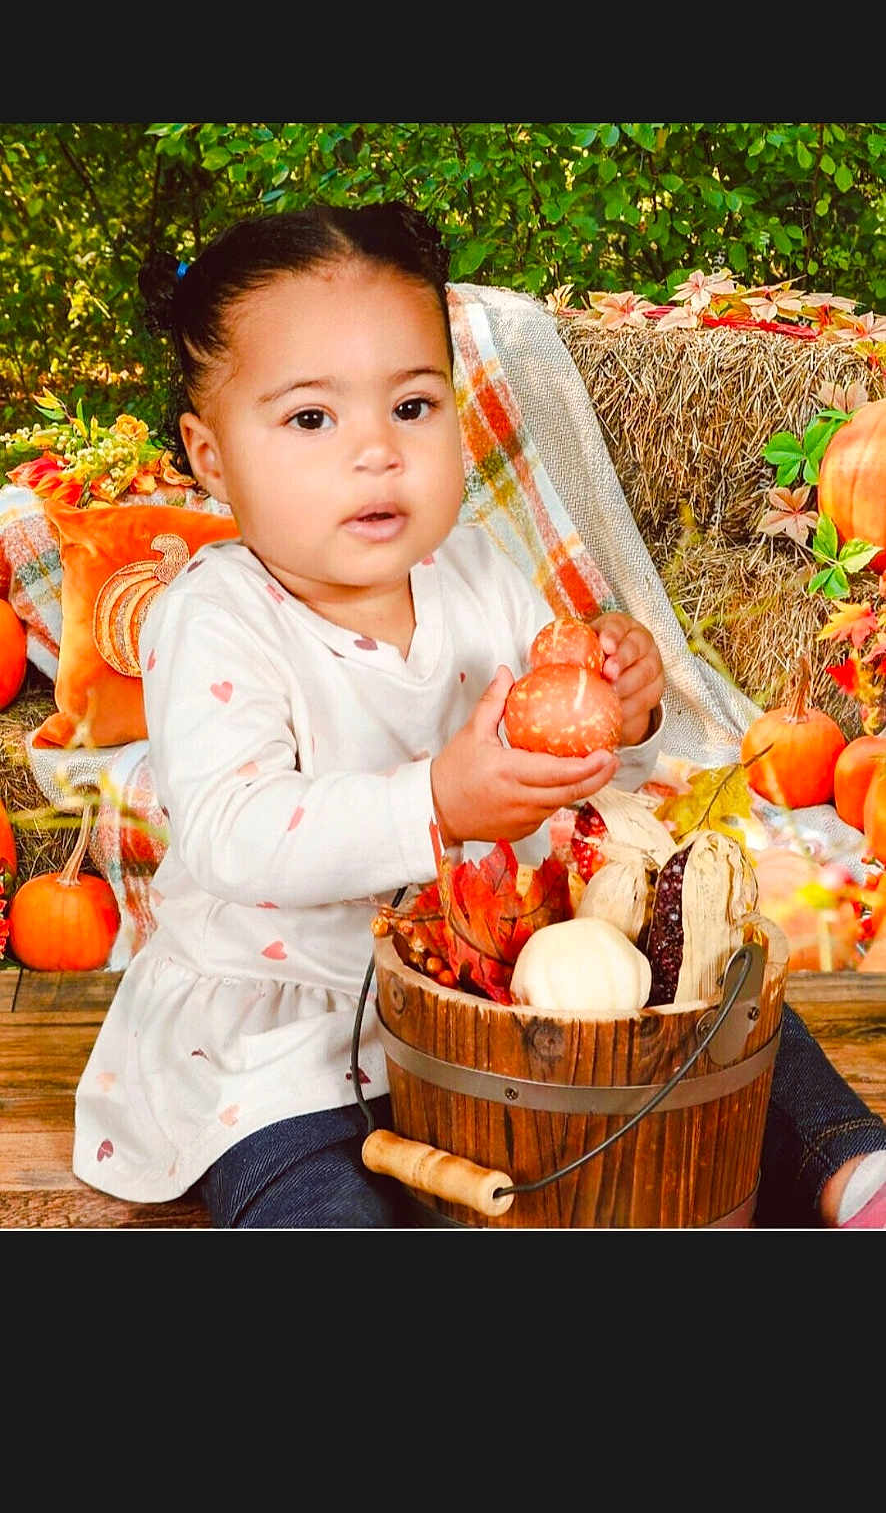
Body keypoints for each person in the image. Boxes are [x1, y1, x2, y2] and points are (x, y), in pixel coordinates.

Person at [72, 201, 886, 1229]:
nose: (375, 452)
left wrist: (618, 715)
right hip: (290, 1029)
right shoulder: (215, 617)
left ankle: (848, 1165)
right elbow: (237, 837)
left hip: (500, 992)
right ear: (211, 456)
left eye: (411, 407)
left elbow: (561, 767)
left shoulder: (474, 573)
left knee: (718, 1013)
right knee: (303, 1178)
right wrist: (437, 801)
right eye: (312, 419)